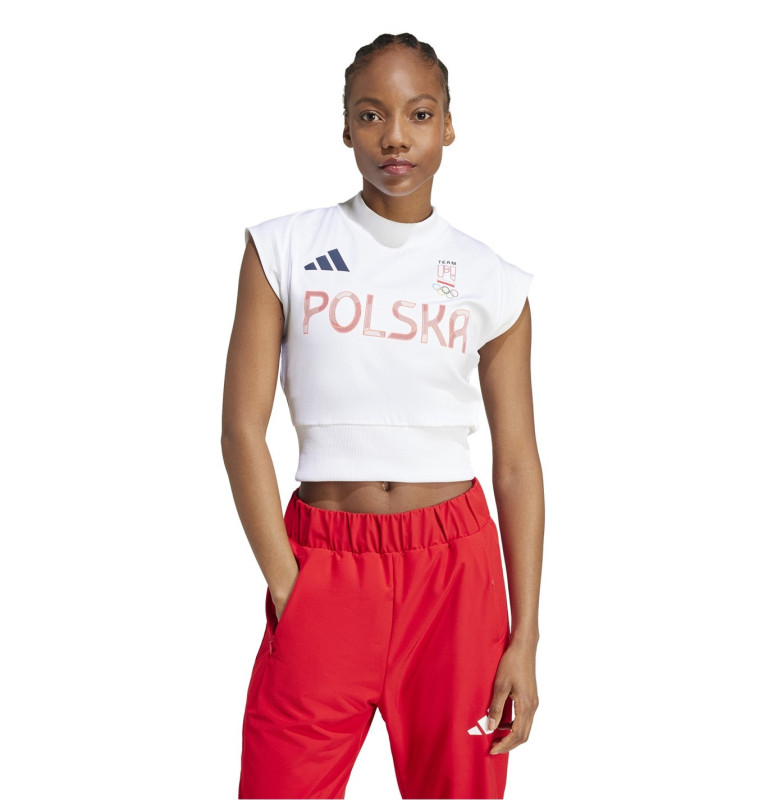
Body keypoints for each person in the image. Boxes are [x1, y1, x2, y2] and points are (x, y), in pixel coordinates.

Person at [221, 32, 545, 800]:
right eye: (371, 115)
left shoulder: (493, 280)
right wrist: (287, 584)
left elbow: (516, 463)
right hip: (323, 564)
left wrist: (524, 637)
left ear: (448, 126)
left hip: (454, 578)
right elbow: (240, 429)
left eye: (419, 114)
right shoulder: (283, 248)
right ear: (346, 128)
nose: (395, 136)